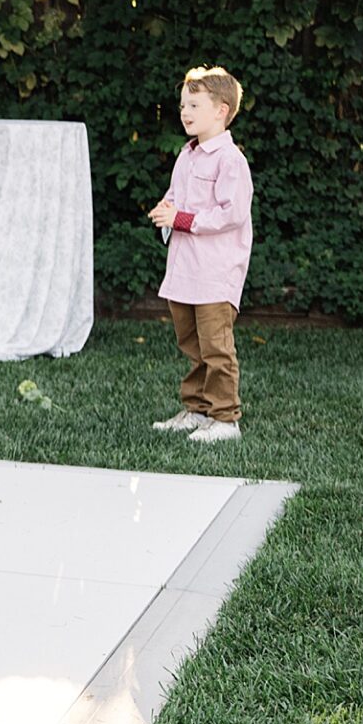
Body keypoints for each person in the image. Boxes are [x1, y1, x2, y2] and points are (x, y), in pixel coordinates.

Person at [148, 65, 254, 443]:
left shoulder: (230, 161)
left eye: (194, 105)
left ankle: (225, 419)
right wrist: (167, 209)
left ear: (221, 110)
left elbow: (232, 213)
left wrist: (183, 218)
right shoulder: (187, 156)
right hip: (184, 270)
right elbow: (178, 198)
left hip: (215, 272)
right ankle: (197, 409)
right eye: (182, 106)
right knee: (192, 344)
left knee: (216, 346)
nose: (185, 112)